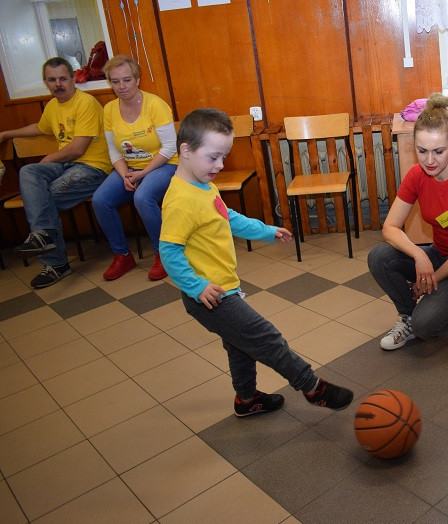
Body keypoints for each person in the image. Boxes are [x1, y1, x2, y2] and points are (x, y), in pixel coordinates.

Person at [159, 108, 353, 417]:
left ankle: (247, 400)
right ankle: (312, 387)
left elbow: (228, 218)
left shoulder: (202, 186)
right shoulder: (181, 200)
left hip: (223, 288)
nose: (220, 165)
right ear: (185, 150)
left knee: (240, 347)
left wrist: (266, 231)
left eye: (224, 157)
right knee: (265, 338)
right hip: (210, 296)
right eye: (213, 157)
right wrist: (196, 286)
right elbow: (169, 252)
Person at [368, 93, 448, 351]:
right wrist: (419, 255)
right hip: (440, 254)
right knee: (380, 257)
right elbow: (390, 227)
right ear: (414, 146)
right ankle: (407, 316)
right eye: (422, 151)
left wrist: (427, 282)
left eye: (439, 151)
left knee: (426, 327)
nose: (430, 161)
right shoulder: (417, 175)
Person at [0, 57, 110, 288]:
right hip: (67, 167)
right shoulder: (52, 106)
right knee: (30, 172)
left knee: (45, 195)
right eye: (52, 80)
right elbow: (40, 128)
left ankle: (55, 262)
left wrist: (48, 159)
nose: (58, 84)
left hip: (93, 167)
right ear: (46, 83)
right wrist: (6, 133)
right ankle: (44, 236)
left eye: (63, 78)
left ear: (73, 79)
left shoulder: (86, 103)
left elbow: (78, 149)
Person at [92, 55, 178, 281]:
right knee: (100, 200)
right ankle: (122, 255)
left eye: (126, 80)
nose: (121, 86)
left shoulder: (155, 104)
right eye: (115, 81)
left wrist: (142, 173)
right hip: (129, 167)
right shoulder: (109, 110)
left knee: (142, 196)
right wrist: (124, 175)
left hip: (165, 165)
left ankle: (165, 255)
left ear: (137, 80)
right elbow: (113, 150)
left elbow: (170, 147)